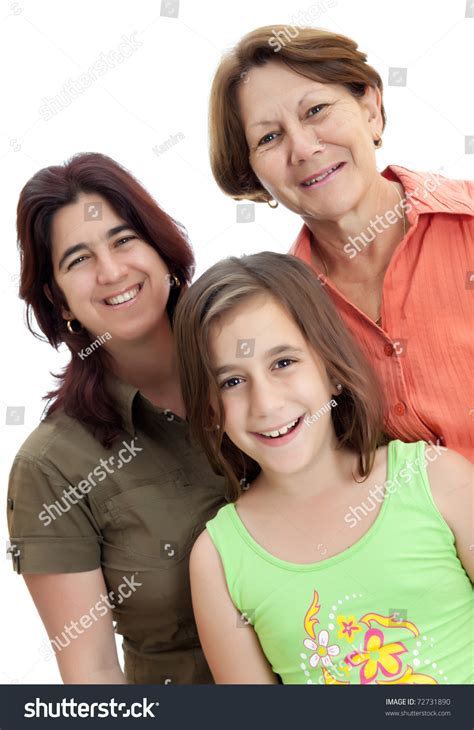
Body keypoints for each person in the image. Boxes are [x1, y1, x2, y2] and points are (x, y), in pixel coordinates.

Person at [173, 251, 473, 685]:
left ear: (332, 369)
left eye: (283, 363)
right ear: (210, 409)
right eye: (232, 382)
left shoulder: (436, 479)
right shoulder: (218, 559)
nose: (267, 404)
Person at [7, 152, 227, 684]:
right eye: (77, 259)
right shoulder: (51, 468)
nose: (111, 271)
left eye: (125, 239)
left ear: (162, 248)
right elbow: (95, 678)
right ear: (58, 300)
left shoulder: (264, 359)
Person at [209, 25, 474, 462]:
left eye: (315, 110)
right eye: (269, 137)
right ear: (253, 172)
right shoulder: (280, 314)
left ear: (370, 107)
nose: (304, 147)